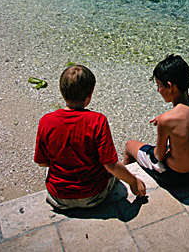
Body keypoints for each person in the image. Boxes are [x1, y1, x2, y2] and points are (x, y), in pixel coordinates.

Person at [34, 64, 146, 209]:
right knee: (111, 173)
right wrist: (133, 181)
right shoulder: (97, 121)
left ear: (61, 91)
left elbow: (42, 162)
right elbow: (110, 164)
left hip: (58, 197)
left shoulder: (46, 121)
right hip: (94, 196)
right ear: (90, 94)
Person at [124, 54, 189, 187]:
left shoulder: (167, 120)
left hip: (177, 177)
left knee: (130, 145)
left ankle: (127, 183)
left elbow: (159, 156)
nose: (158, 90)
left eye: (159, 86)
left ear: (170, 86)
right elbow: (188, 122)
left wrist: (164, 124)